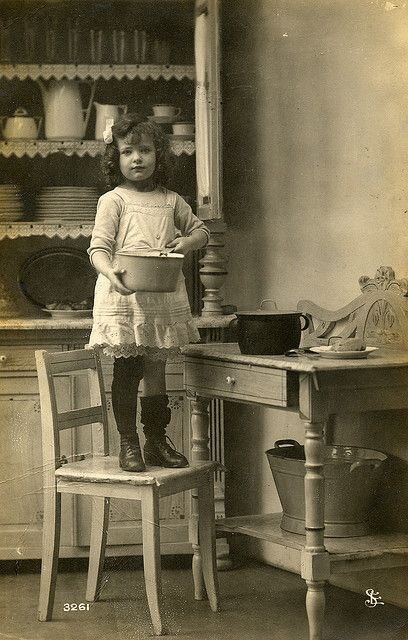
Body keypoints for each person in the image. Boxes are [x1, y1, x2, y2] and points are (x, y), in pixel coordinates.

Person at [87, 112, 209, 472]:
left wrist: (186, 243)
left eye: (144, 150)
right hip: (124, 296)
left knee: (156, 370)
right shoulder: (113, 200)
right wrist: (110, 272)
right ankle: (129, 444)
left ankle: (156, 442)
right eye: (127, 152)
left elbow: (201, 231)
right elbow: (98, 249)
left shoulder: (171, 201)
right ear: (117, 158)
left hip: (162, 297)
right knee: (128, 370)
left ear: (159, 155)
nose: (136, 158)